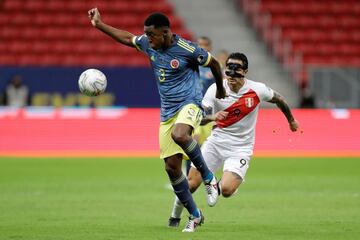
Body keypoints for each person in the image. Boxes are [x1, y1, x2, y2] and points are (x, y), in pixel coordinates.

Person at [88, 9, 226, 232]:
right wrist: (100, 24)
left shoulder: (187, 49)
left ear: (165, 32)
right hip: (167, 112)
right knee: (172, 168)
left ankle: (209, 179)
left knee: (180, 135)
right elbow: (127, 37)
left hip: (190, 103)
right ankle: (195, 214)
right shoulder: (149, 44)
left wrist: (220, 89)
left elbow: (214, 64)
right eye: (146, 34)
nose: (148, 39)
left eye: (151, 35)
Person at [168, 52, 299, 223]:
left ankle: (221, 184)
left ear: (245, 72)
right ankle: (174, 216)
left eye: (236, 72)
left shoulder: (257, 90)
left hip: (241, 148)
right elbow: (200, 119)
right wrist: (213, 117)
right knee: (191, 185)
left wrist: (291, 120)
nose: (231, 76)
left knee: (227, 190)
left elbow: (279, 99)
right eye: (228, 71)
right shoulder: (215, 89)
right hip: (215, 143)